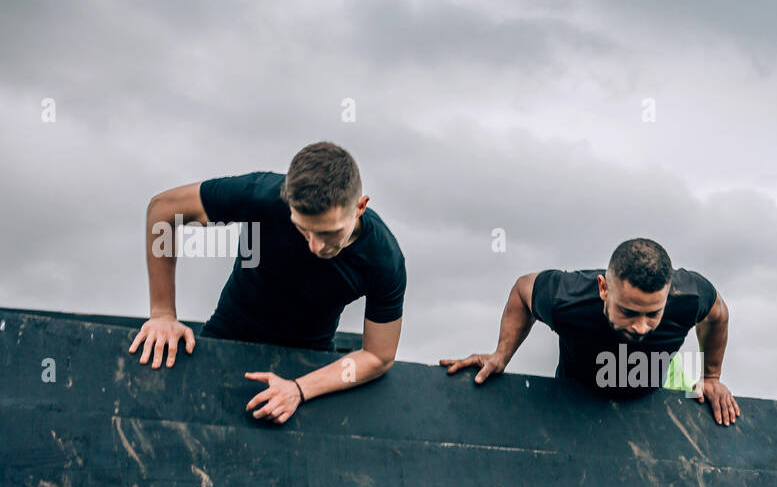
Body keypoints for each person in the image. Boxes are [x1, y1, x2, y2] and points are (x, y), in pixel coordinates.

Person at [128, 142, 406, 424]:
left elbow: (378, 356)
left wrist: (299, 389)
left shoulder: (383, 258)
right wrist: (163, 314)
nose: (315, 246)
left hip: (309, 361)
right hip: (227, 338)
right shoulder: (262, 195)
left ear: (360, 207)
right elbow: (164, 210)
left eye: (328, 233)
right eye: (302, 229)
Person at [441, 238, 739, 426]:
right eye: (628, 312)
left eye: (653, 314)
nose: (640, 326)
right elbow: (523, 290)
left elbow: (718, 314)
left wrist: (711, 377)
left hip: (645, 409)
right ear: (603, 289)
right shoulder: (567, 299)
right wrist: (502, 354)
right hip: (574, 406)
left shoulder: (688, 297)